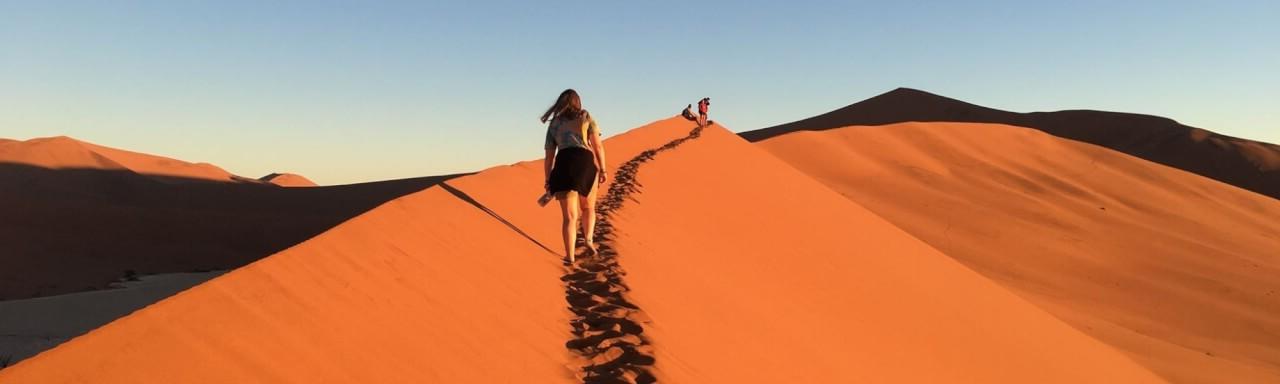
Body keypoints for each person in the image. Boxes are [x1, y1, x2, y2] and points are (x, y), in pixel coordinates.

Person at [541, 89, 608, 265]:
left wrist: (548, 179)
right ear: (578, 102)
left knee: (569, 217)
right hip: (585, 163)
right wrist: (603, 169)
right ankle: (588, 240)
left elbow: (549, 156)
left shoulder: (554, 124)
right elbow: (598, 146)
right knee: (588, 207)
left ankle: (570, 256)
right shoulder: (586, 116)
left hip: (564, 163)